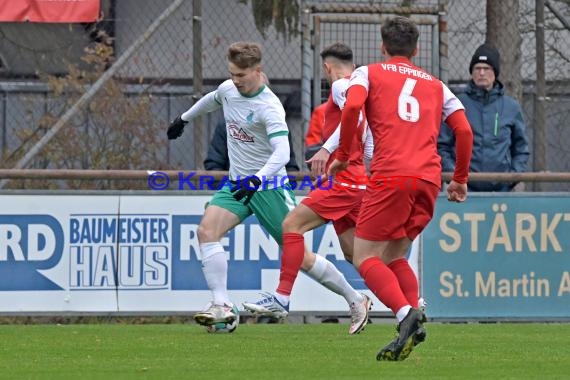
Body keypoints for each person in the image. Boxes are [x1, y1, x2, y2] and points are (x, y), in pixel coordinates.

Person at [166, 41, 366, 331]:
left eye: (241, 76)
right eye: (232, 74)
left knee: (302, 258)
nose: (235, 81)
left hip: (267, 188)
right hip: (237, 185)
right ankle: (222, 306)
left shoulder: (269, 106)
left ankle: (355, 297)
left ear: (257, 71)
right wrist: (182, 119)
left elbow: (282, 154)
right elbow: (213, 98)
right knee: (206, 231)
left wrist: (257, 179)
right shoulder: (228, 89)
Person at [328, 17, 473, 361]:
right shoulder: (437, 85)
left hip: (391, 174)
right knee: (394, 256)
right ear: (417, 49)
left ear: (382, 46)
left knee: (364, 257)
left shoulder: (369, 72)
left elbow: (351, 106)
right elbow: (464, 131)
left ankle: (404, 315)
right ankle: (414, 317)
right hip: (428, 180)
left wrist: (346, 155)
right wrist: (461, 179)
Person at [243, 42, 374, 335]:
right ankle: (403, 301)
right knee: (357, 254)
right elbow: (365, 132)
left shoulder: (341, 87)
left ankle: (281, 298)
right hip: (357, 179)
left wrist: (328, 150)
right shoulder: (360, 85)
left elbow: (352, 117)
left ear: (326, 68)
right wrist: (368, 163)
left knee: (291, 225)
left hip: (343, 179)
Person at [438, 43, 529, 191]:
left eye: (486, 69)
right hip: (465, 189)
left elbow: (521, 148)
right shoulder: (456, 103)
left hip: (502, 190)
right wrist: (455, 175)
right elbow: (442, 145)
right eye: (477, 68)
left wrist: (513, 177)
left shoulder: (511, 107)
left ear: (495, 72)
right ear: (471, 72)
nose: (481, 73)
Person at [204, 119, 300, 173]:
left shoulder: (279, 127)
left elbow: (290, 166)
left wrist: (285, 189)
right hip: (234, 190)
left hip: (273, 189)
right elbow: (214, 165)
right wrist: (229, 190)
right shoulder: (226, 126)